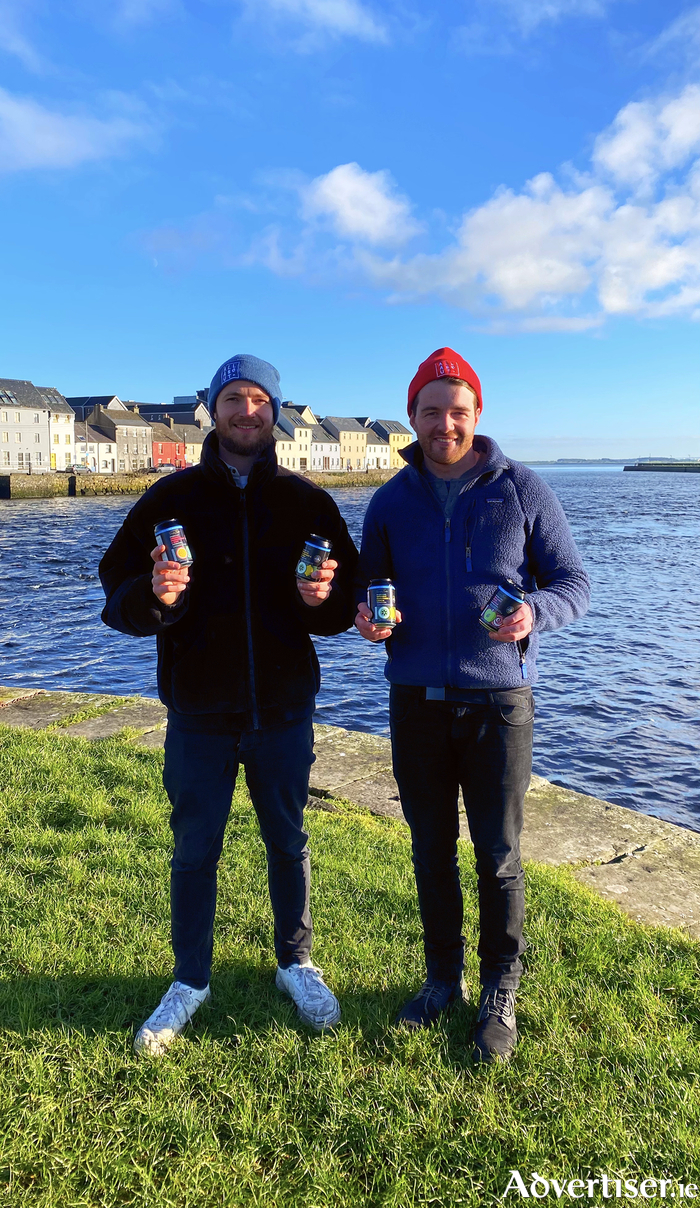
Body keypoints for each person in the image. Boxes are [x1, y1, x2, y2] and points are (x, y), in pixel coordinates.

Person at [100, 354, 358, 1055]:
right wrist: (154, 596)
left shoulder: (309, 503)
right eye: (234, 399)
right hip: (197, 714)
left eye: (260, 400)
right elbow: (114, 587)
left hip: (283, 711)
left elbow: (345, 603)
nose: (248, 411)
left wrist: (323, 600)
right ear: (213, 409)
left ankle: (296, 963)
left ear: (277, 410)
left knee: (289, 841)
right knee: (194, 849)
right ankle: (190, 979)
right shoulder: (168, 500)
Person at [355, 347, 590, 1063]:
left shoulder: (522, 490)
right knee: (430, 849)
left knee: (499, 854)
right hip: (415, 703)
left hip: (499, 705)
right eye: (431, 412)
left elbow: (574, 583)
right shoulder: (390, 501)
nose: (445, 425)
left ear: (477, 414)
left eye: (458, 411)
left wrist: (534, 614)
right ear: (413, 417)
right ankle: (440, 979)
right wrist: (367, 620)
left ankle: (499, 989)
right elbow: (369, 590)